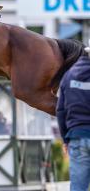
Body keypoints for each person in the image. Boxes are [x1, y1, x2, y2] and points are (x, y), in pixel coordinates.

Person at [57, 53, 90, 191]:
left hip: (77, 137)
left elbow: (61, 111)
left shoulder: (68, 76)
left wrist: (65, 139)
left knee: (78, 187)